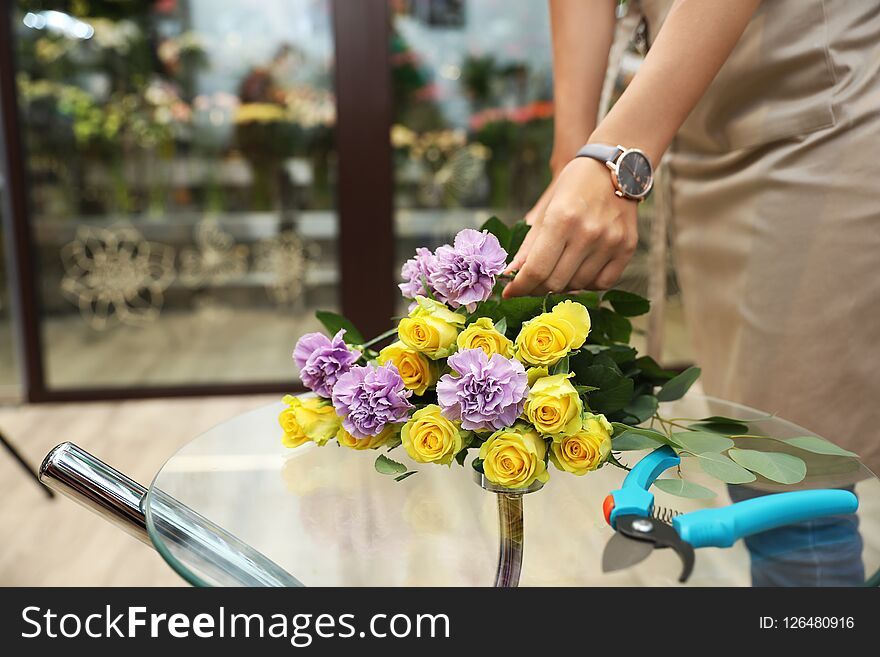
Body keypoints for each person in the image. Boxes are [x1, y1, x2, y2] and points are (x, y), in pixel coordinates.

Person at [505, 0, 880, 477]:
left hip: (808, 91)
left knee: (795, 460)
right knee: (747, 429)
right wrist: (573, 163)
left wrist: (617, 156)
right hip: (686, 111)